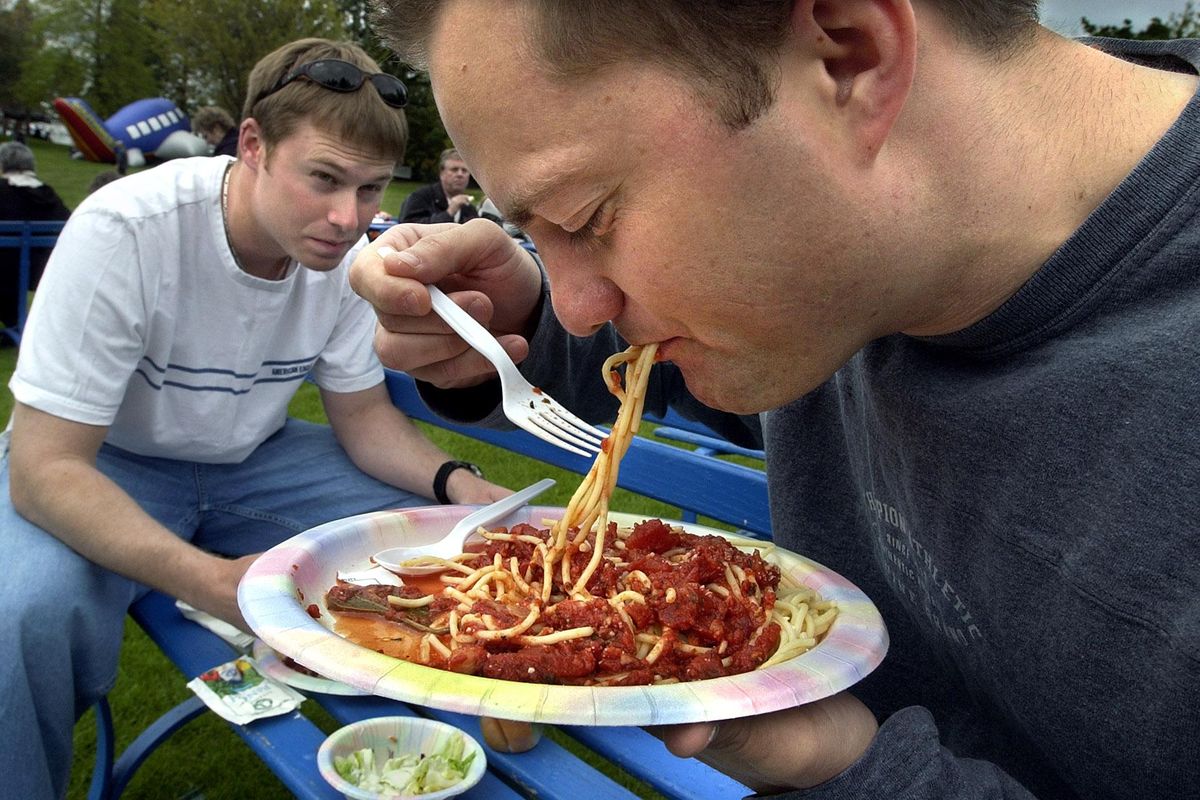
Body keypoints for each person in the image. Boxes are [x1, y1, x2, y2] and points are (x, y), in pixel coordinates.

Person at [350, 2, 1200, 798]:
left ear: (850, 56)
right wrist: (521, 319)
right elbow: (722, 375)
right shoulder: (856, 269)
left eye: (590, 214)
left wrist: (861, 773)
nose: (578, 304)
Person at [0, 37, 511, 800]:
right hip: (106, 463)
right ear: (253, 145)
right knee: (19, 615)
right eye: (325, 179)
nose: (347, 219)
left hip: (255, 461)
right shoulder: (127, 231)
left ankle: (451, 750)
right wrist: (213, 582)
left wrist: (456, 483)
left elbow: (365, 421)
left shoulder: (347, 258)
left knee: (452, 545)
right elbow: (43, 469)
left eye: (371, 190)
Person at [0, 141, 70, 332]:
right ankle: (15, 324)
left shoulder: (3, 192)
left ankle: (13, 324)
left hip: (6, 272)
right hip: (43, 270)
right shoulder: (49, 195)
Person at [398, 146, 479, 223]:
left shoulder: (469, 209)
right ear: (442, 173)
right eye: (454, 169)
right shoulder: (420, 198)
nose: (460, 174)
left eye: (464, 170)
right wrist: (449, 213)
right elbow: (406, 226)